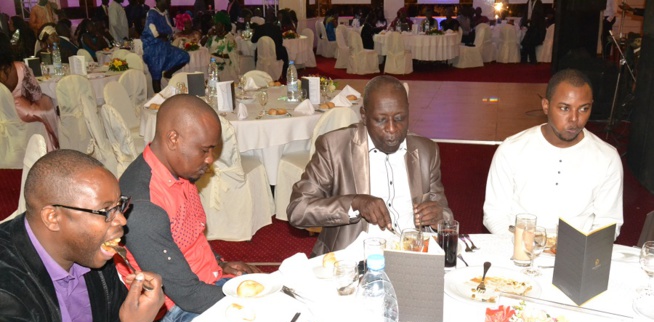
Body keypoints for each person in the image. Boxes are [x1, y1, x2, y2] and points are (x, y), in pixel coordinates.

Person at [0, 149, 165, 322]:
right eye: (105, 212)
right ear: (53, 217)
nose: (121, 221)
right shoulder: (7, 291)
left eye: (120, 206)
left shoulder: (88, 251)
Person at [119, 95, 260, 322]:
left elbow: (186, 235)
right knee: (266, 321)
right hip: (174, 313)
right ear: (173, 139)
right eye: (204, 150)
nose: (210, 160)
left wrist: (220, 263)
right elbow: (188, 295)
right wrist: (250, 299)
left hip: (200, 282)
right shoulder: (143, 206)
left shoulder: (178, 169)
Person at [287, 76, 452, 256]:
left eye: (399, 118)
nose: (391, 128)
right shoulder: (334, 147)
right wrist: (355, 203)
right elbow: (298, 210)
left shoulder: (427, 151)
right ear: (364, 116)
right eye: (381, 120)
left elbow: (444, 214)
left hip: (412, 256)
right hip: (353, 259)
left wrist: (439, 218)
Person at [483, 69, 624, 239]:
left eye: (583, 109)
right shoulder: (512, 149)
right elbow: (494, 214)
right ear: (546, 106)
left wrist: (577, 252)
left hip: (576, 254)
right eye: (565, 108)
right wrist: (523, 246)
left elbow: (608, 223)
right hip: (517, 249)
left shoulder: (607, 158)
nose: (574, 118)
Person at [0, 33, 59, 152]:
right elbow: (36, 94)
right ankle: (46, 151)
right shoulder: (20, 67)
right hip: (21, 111)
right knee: (46, 107)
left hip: (2, 115)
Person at [141, 0, 190, 92]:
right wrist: (161, 36)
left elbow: (170, 28)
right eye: (167, 0)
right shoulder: (152, 13)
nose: (169, 2)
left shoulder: (164, 13)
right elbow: (151, 28)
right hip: (154, 47)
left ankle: (168, 73)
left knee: (184, 56)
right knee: (156, 74)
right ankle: (158, 99)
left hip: (165, 46)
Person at [251, 9, 288, 78]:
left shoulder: (259, 28)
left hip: (261, 54)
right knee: (284, 50)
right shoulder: (277, 28)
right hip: (275, 53)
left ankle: (257, 71)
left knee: (256, 50)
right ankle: (284, 73)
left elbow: (253, 40)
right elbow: (280, 42)